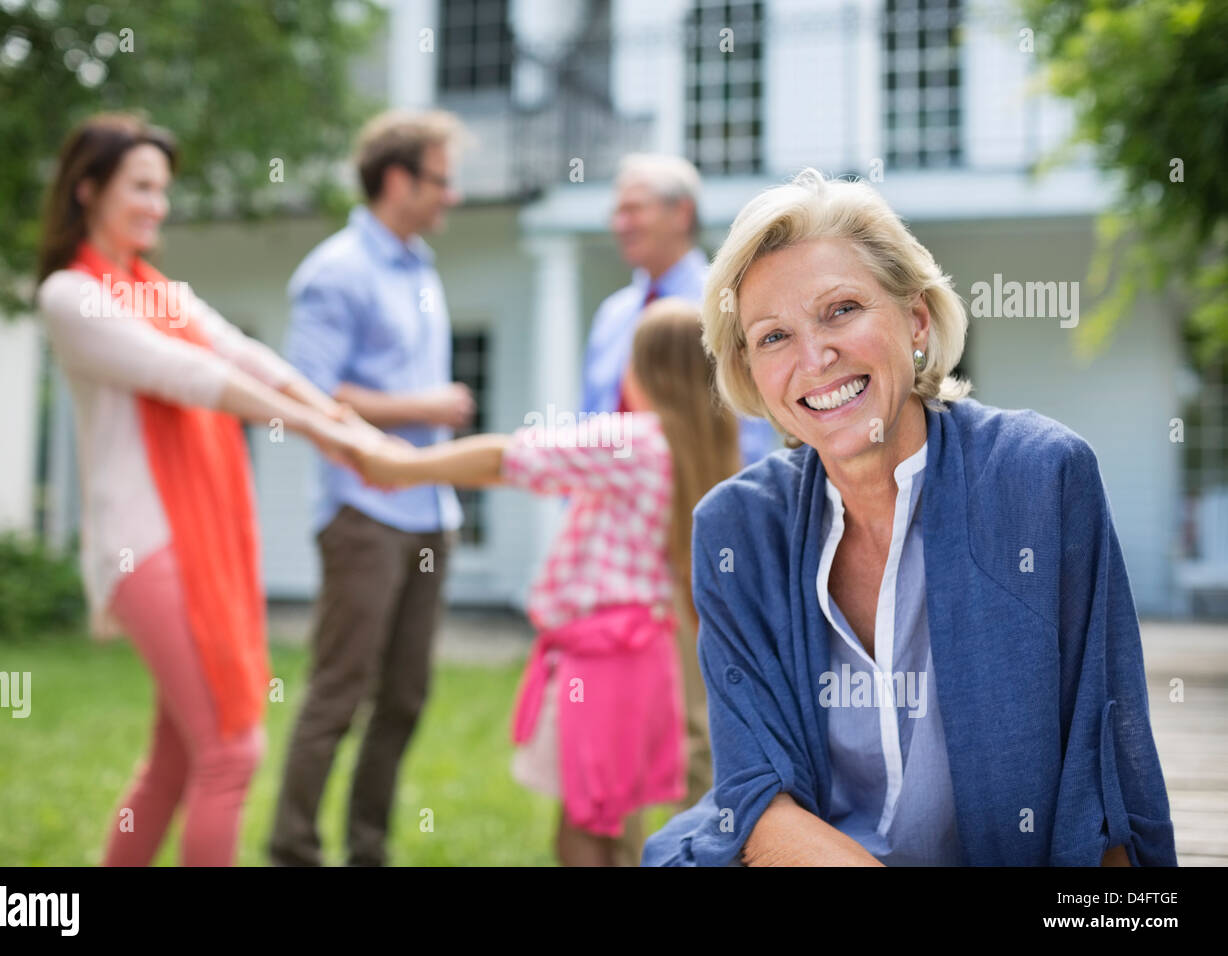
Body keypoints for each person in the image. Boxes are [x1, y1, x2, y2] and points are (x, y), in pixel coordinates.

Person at [642, 168, 1177, 866]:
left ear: (916, 321)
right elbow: (756, 799)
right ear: (751, 374)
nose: (814, 357)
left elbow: (1105, 777)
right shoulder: (736, 530)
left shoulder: (1039, 478)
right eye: (773, 337)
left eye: (841, 310)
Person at [35, 113, 382, 867]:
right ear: (88, 189)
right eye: (141, 187)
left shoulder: (155, 289)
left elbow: (243, 353)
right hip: (146, 544)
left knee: (179, 756)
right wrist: (325, 434)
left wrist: (338, 415)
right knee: (231, 750)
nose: (158, 204)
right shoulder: (71, 295)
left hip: (196, 545)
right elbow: (188, 375)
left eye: (164, 189)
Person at [356, 298, 740, 866]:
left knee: (584, 822)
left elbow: (506, 459)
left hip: (600, 655)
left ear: (646, 370)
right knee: (608, 812)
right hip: (644, 655)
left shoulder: (631, 442)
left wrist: (399, 467)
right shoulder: (704, 451)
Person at [269, 109, 472, 867]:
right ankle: (292, 849)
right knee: (338, 692)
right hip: (364, 513)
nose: (450, 197)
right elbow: (308, 394)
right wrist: (421, 407)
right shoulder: (336, 271)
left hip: (429, 510)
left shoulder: (421, 266)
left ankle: (367, 851)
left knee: (406, 697)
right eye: (441, 181)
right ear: (398, 179)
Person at [581, 153, 769, 819]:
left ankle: (707, 836)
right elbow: (592, 421)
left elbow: (753, 426)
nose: (619, 221)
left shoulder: (728, 304)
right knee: (627, 699)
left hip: (699, 523)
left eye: (634, 207)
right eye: (617, 208)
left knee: (700, 702)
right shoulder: (613, 315)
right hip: (624, 540)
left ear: (680, 213)